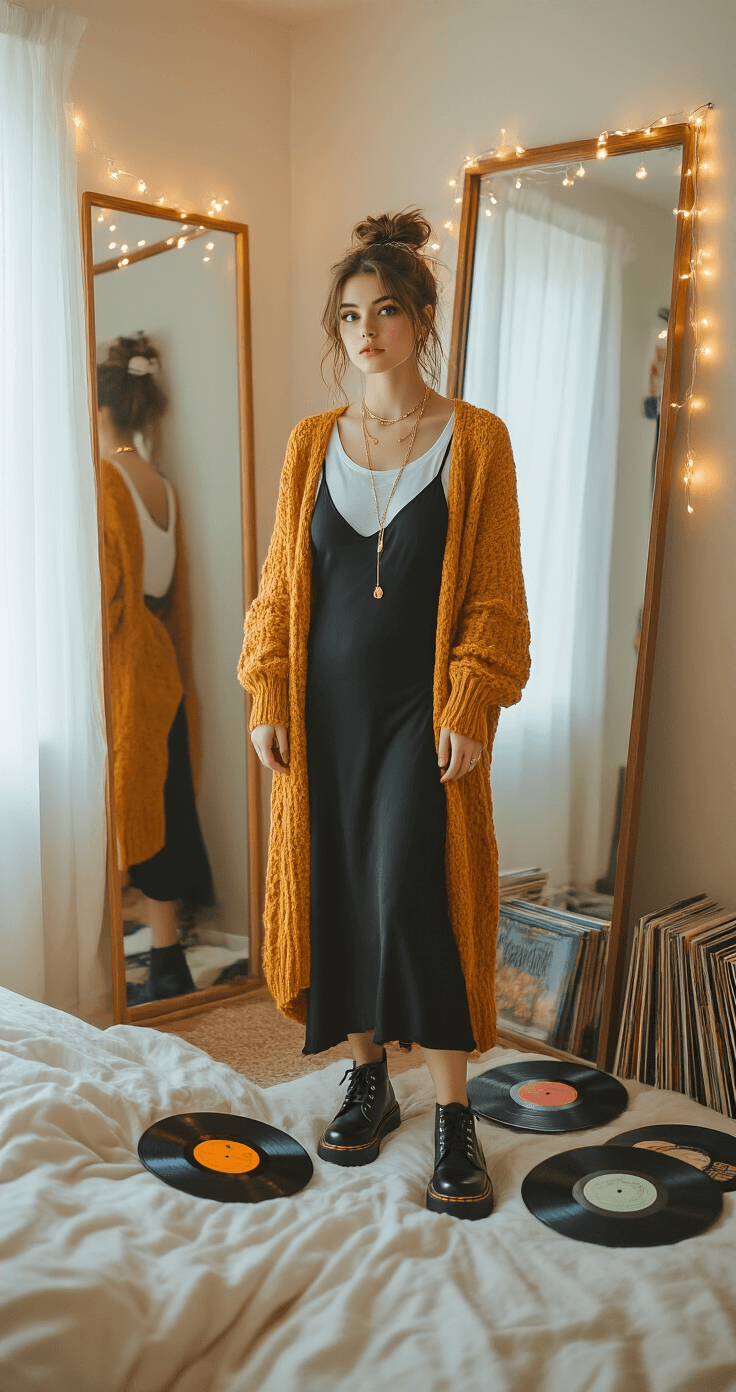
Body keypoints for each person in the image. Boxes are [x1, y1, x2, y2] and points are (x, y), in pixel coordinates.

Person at [237, 210, 530, 1218]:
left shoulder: (475, 441)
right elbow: (279, 584)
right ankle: (369, 1079)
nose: (367, 330)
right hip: (322, 719)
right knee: (340, 891)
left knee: (418, 890)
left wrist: (467, 700)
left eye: (387, 311)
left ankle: (453, 1115)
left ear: (419, 320)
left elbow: (493, 596)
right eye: (351, 315)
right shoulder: (311, 443)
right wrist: (267, 692)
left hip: (419, 715)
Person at [98, 333, 215, 1005]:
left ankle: (124, 964)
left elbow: (107, 589)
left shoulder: (106, 478)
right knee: (165, 803)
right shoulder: (161, 486)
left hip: (125, 662)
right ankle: (166, 956)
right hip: (164, 659)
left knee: (124, 805)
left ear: (100, 405)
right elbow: (175, 590)